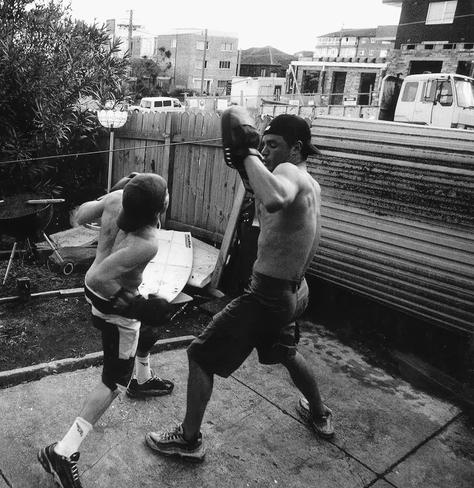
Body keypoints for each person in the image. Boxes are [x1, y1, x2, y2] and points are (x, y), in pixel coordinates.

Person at [145, 109, 334, 463]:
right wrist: (250, 167)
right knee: (287, 352)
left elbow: (275, 197)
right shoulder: (311, 183)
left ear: (296, 148)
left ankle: (188, 439)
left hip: (267, 296)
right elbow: (273, 206)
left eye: (274, 145)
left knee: (200, 354)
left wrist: (247, 153)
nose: (268, 152)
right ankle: (320, 413)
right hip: (296, 292)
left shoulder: (288, 171)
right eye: (263, 144)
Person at [39, 172, 175, 488]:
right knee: (113, 381)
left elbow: (79, 216)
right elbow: (96, 279)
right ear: (162, 206)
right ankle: (62, 451)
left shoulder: (116, 200)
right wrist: (138, 307)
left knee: (150, 328)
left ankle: (142, 380)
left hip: (109, 300)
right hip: (114, 311)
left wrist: (112, 193)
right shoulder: (146, 243)